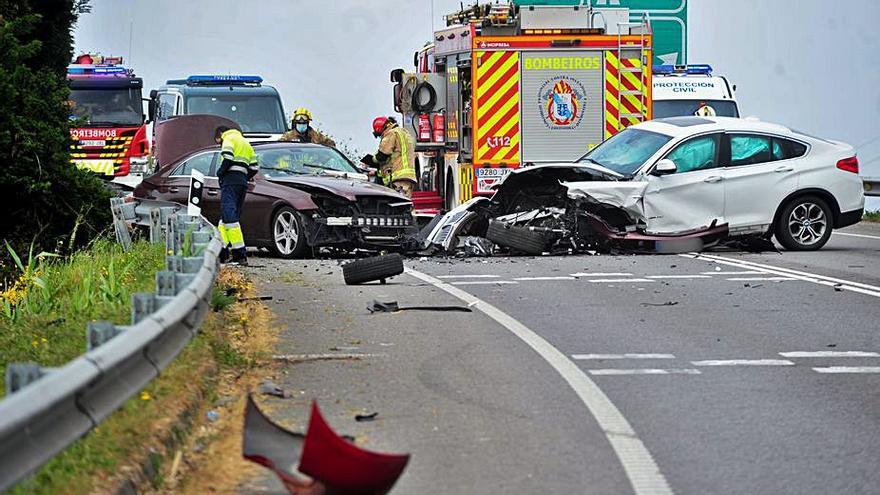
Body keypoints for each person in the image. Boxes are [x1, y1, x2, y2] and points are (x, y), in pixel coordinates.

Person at [214, 126, 258, 265]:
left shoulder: (228, 138)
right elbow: (255, 167)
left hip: (230, 181)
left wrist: (220, 172)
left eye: (217, 141)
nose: (219, 144)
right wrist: (244, 176)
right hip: (241, 183)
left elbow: (227, 157)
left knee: (230, 218)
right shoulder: (245, 142)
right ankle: (222, 252)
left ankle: (240, 255)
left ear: (220, 135)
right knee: (225, 219)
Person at [361, 116, 417, 197]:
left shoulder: (391, 133)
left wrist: (371, 160)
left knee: (397, 207)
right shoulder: (404, 132)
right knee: (405, 206)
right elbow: (394, 156)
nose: (381, 137)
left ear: (381, 129)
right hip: (407, 178)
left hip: (398, 179)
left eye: (380, 135)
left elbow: (382, 155)